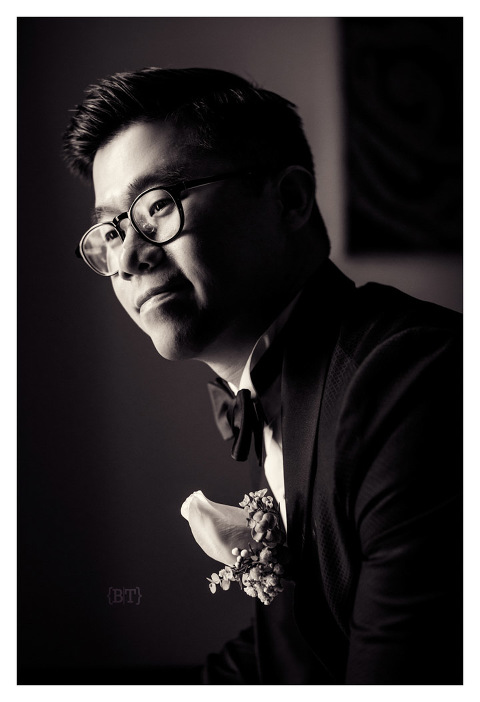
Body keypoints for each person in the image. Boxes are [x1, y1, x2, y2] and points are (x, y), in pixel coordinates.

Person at [63, 67, 462, 684]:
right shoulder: (281, 388)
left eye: (158, 206)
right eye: (110, 231)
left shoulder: (409, 380)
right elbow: (306, 640)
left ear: (290, 200)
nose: (128, 258)